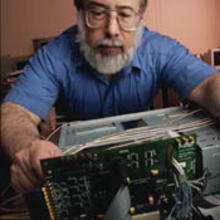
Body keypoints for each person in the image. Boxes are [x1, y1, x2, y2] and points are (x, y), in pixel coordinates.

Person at [1, 0, 220, 193]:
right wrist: (27, 146)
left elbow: (210, 84)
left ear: (140, 15)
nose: (112, 30)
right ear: (79, 12)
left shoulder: (160, 49)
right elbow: (14, 112)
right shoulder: (54, 55)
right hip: (84, 170)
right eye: (97, 13)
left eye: (125, 14)